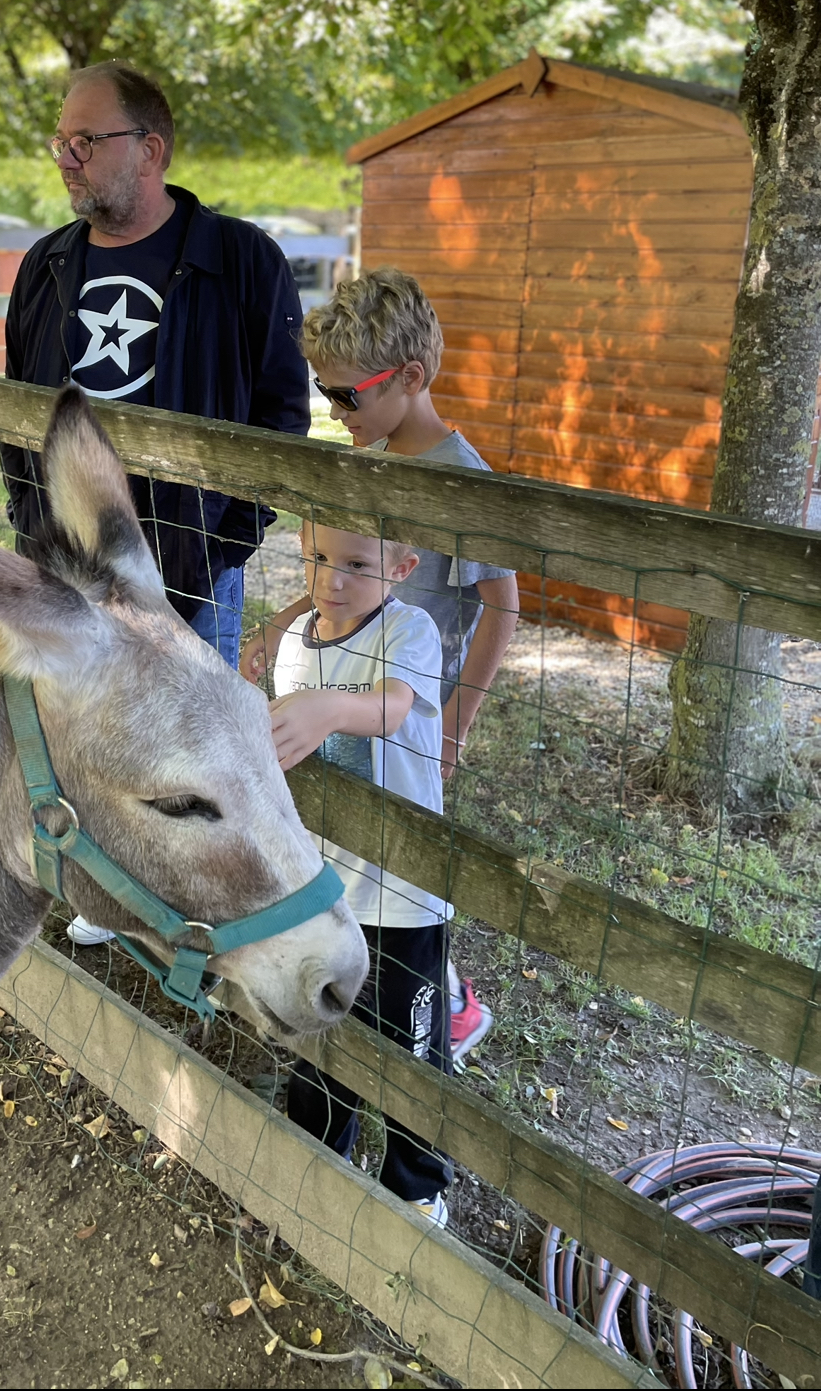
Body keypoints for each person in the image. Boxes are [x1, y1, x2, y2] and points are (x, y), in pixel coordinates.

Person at [0, 60, 309, 947]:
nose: (68, 158)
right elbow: (16, 412)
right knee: (89, 742)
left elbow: (281, 423)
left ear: (152, 149)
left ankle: (230, 919)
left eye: (87, 141)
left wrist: (226, 546)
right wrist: (33, 525)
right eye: (63, 141)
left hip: (191, 572)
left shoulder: (241, 262)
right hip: (71, 575)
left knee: (197, 754)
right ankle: (113, 893)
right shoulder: (45, 267)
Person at [241, 266, 520, 1064]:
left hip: (409, 709)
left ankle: (448, 1007)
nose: (335, 412)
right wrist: (285, 619)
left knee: (406, 873)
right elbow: (346, 573)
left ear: (410, 378)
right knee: (356, 854)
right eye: (325, 395)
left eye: (347, 397)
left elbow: (503, 608)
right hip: (349, 688)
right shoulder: (367, 462)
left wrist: (455, 725)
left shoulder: (462, 482)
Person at [268, 517, 453, 1228]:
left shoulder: (408, 632)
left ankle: (415, 1181)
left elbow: (393, 706)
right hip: (323, 888)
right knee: (320, 1025)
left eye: (355, 563)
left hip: (404, 892)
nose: (331, 579)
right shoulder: (293, 642)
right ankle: (319, 1147)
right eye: (316, 557)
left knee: (409, 1042)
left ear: (404, 565)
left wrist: (328, 708)